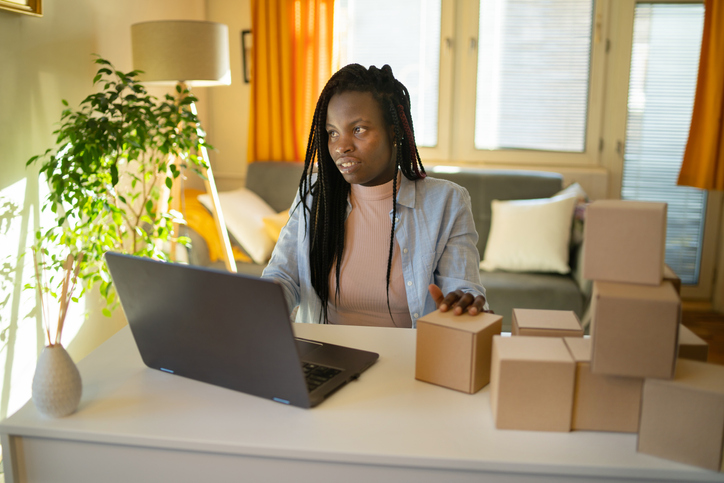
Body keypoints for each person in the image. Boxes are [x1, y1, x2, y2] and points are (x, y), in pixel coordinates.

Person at [262, 64, 488, 328]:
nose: (341, 146)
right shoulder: (315, 196)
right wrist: (259, 303)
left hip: (409, 361)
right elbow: (282, 276)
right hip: (327, 360)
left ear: (394, 132)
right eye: (332, 132)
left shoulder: (447, 202)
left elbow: (463, 287)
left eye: (358, 129)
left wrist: (463, 302)